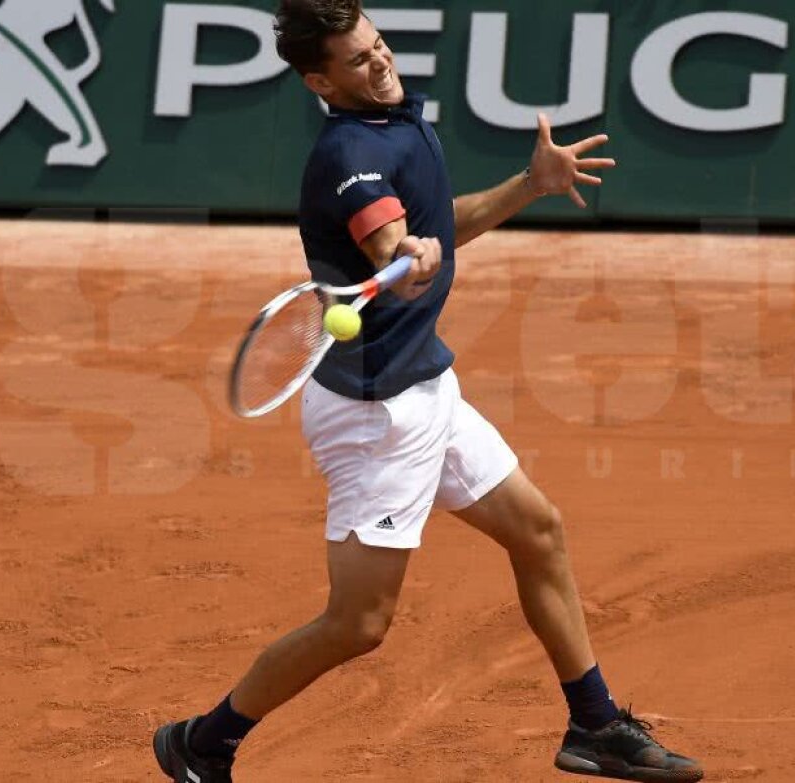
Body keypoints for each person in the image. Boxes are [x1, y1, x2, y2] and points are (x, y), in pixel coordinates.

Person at [153, 2, 704, 781]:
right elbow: (389, 236)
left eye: (377, 46)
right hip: (376, 415)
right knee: (359, 623)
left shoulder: (398, 118)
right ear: (320, 80)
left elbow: (437, 224)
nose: (378, 62)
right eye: (356, 60)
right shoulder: (349, 153)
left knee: (538, 531)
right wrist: (399, 252)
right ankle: (203, 741)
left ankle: (594, 723)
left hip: (423, 386)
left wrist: (528, 184)